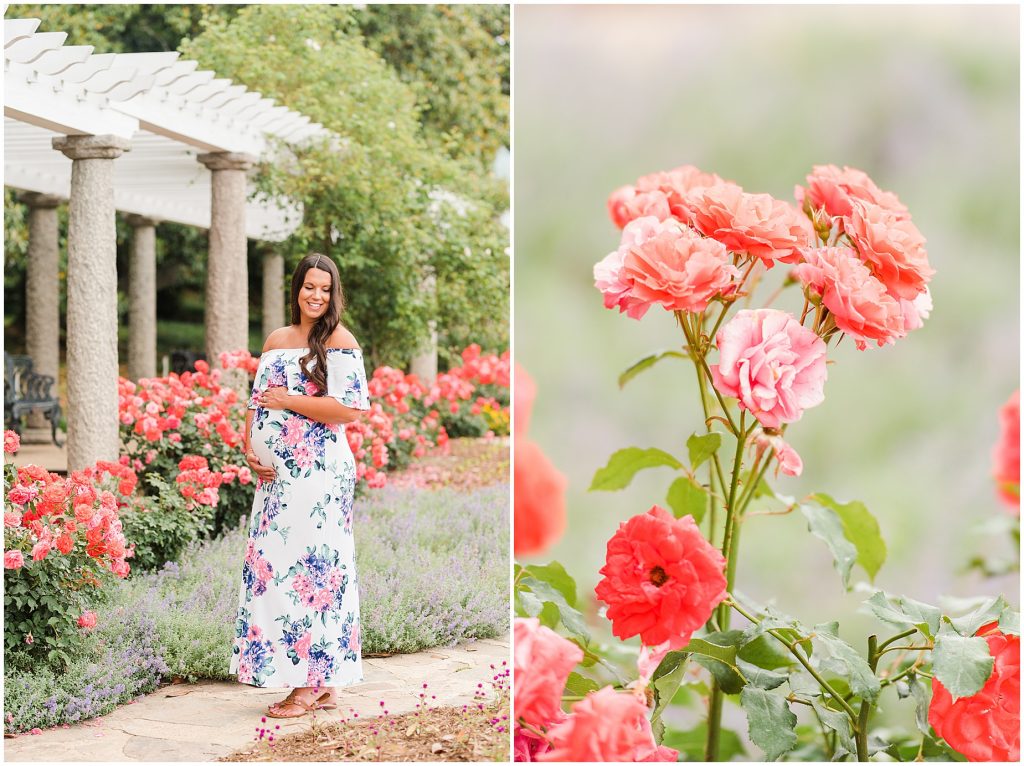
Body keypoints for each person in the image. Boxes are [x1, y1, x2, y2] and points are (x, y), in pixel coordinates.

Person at [228, 253, 371, 718]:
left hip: (319, 478)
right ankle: (319, 682)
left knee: (313, 572)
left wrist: (288, 401)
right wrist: (251, 449)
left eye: (325, 289)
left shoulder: (340, 340)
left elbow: (349, 409)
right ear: (296, 288)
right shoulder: (276, 340)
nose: (316, 295)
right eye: (310, 286)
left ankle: (309, 685)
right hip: (275, 482)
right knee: (273, 567)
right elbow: (256, 401)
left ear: (333, 294)